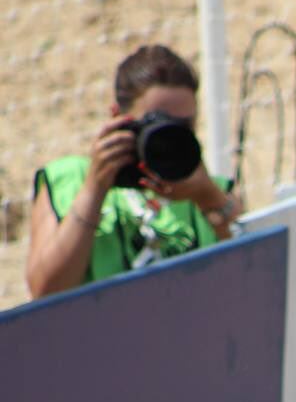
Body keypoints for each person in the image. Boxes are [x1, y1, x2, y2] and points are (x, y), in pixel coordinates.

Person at [25, 44, 243, 298]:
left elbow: (260, 275)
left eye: (183, 126)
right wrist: (94, 190)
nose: (168, 136)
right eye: (156, 122)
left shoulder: (209, 192)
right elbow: (45, 291)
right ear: (118, 117)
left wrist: (208, 197)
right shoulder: (70, 180)